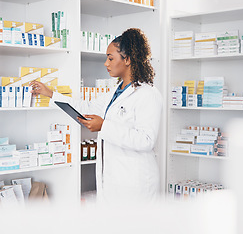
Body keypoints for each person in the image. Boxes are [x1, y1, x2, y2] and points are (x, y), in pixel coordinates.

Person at [30, 28, 162, 203]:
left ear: (128, 59)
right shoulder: (115, 91)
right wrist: (51, 94)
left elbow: (146, 140)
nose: (106, 63)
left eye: (110, 58)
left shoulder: (148, 94)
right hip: (114, 181)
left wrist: (104, 126)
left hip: (135, 183)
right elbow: (87, 107)